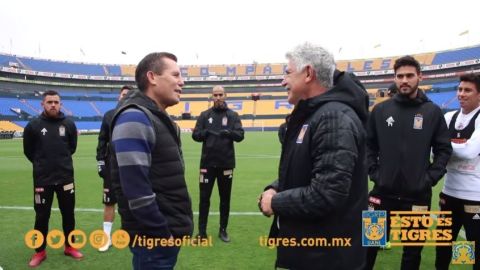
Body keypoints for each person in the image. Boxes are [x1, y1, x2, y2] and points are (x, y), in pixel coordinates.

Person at [258, 42, 369, 269]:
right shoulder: (318, 114)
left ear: (308, 73)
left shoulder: (333, 118)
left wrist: (276, 202)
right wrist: (277, 186)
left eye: (288, 73)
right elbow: (310, 169)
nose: (283, 81)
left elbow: (327, 192)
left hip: (326, 257)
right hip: (316, 253)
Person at [365, 55, 452, 270]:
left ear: (419, 77)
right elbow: (368, 147)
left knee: (412, 253)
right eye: (400, 76)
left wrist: (429, 179)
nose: (404, 80)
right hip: (381, 194)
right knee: (368, 247)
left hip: (417, 196)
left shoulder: (432, 112)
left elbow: (443, 150)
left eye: (409, 76)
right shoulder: (380, 111)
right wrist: (376, 174)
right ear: (395, 78)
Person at [110, 52, 193, 269]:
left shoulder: (155, 117)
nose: (182, 81)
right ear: (152, 77)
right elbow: (136, 190)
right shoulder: (135, 117)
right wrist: (162, 233)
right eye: (175, 75)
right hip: (153, 240)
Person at [23, 90, 83, 267]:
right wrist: (42, 165)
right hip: (43, 180)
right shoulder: (33, 125)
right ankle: (40, 251)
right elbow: (28, 151)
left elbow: (72, 148)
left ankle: (69, 247)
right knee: (41, 216)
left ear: (60, 104)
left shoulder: (69, 124)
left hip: (65, 178)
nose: (53, 105)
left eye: (56, 102)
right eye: (49, 102)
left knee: (68, 214)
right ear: (42, 104)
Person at [436, 74, 480, 270]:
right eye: (460, 89)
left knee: (471, 249)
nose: (461, 94)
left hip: (474, 197)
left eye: (467, 90)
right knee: (443, 245)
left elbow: (470, 151)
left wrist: (444, 146)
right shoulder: (448, 117)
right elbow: (433, 150)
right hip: (448, 192)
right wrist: (452, 148)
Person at [192, 85, 244, 242]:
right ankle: (202, 232)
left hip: (226, 164)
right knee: (204, 199)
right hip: (207, 164)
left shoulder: (233, 115)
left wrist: (230, 133)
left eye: (221, 94)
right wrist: (204, 133)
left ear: (225, 95)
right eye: (215, 94)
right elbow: (195, 135)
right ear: (212, 96)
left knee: (225, 198)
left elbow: (240, 135)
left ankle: (223, 230)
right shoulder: (204, 115)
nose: (218, 97)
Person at [95, 85, 132, 252]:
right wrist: (100, 162)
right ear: (119, 96)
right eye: (123, 94)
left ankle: (130, 234)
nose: (125, 97)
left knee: (134, 200)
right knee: (109, 202)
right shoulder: (109, 115)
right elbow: (102, 141)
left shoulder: (137, 115)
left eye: (128, 95)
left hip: (133, 165)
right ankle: (106, 238)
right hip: (112, 165)